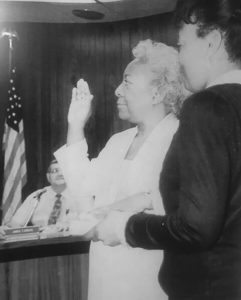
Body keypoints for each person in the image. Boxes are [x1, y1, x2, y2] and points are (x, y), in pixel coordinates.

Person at [93, 0, 241, 299]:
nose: (182, 58)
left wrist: (124, 227)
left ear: (211, 42)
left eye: (182, 45)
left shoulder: (207, 107)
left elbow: (197, 227)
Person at [54, 40, 186, 300]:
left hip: (150, 277)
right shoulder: (118, 141)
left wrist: (110, 211)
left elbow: (171, 209)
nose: (116, 90)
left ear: (158, 93)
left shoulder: (181, 139)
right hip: (105, 276)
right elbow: (81, 187)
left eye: (127, 83)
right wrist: (76, 124)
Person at [8, 160, 79, 228]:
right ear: (48, 177)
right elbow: (16, 223)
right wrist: (7, 229)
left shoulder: (80, 196)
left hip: (73, 239)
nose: (60, 174)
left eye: (64, 171)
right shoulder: (37, 195)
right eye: (55, 171)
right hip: (40, 239)